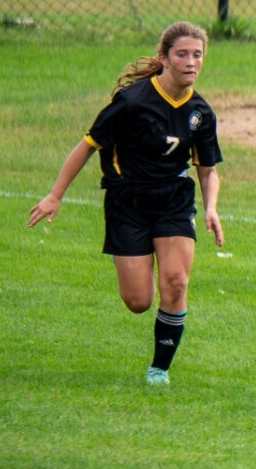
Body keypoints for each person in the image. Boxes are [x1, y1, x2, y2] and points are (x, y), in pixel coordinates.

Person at [27, 22, 225, 386]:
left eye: (197, 54)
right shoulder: (132, 102)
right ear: (164, 57)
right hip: (127, 202)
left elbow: (208, 170)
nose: (191, 61)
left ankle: (159, 369)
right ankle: (143, 264)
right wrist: (56, 195)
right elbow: (88, 144)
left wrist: (211, 206)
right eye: (182, 54)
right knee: (138, 301)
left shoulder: (201, 113)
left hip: (174, 202)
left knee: (176, 282)